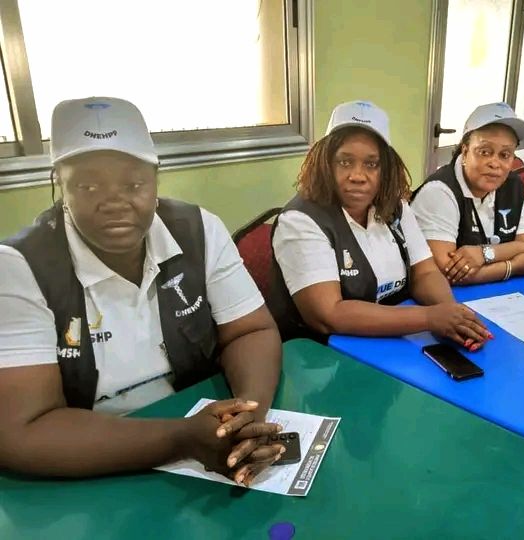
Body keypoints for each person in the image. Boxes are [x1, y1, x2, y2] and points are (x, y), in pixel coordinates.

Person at [0, 97, 283, 486]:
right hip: (91, 458)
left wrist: (245, 418)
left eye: (134, 184)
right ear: (59, 184)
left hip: (199, 427)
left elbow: (251, 330)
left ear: (156, 179)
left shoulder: (198, 230)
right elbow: (23, 430)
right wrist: (183, 439)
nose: (114, 202)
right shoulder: (19, 266)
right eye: (87, 185)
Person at [270, 100, 490, 349]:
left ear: (385, 168)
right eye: (345, 162)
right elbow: (328, 315)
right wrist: (431, 318)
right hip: (323, 355)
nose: (357, 176)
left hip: (393, 340)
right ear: (325, 163)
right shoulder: (299, 220)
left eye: (371, 164)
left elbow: (425, 272)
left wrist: (452, 314)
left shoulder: (395, 206)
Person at [411, 103, 524, 284]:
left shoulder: (513, 186)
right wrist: (512, 266)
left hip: (501, 291)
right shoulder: (439, 192)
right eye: (484, 152)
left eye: (505, 155)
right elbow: (446, 272)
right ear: (465, 152)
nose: (495, 164)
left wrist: (484, 253)